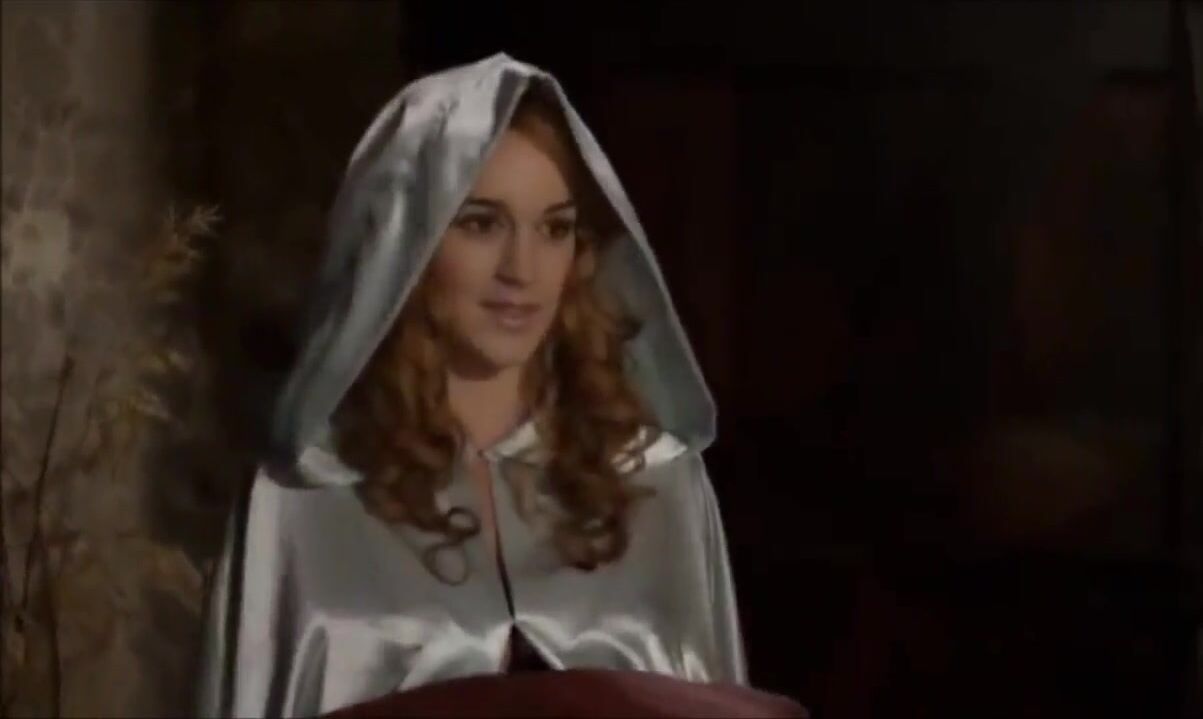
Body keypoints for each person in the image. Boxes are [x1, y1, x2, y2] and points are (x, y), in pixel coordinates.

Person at [195, 52, 746, 718]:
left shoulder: (657, 478)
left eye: (554, 228)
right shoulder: (302, 491)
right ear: (407, 244)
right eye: (481, 223)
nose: (522, 269)